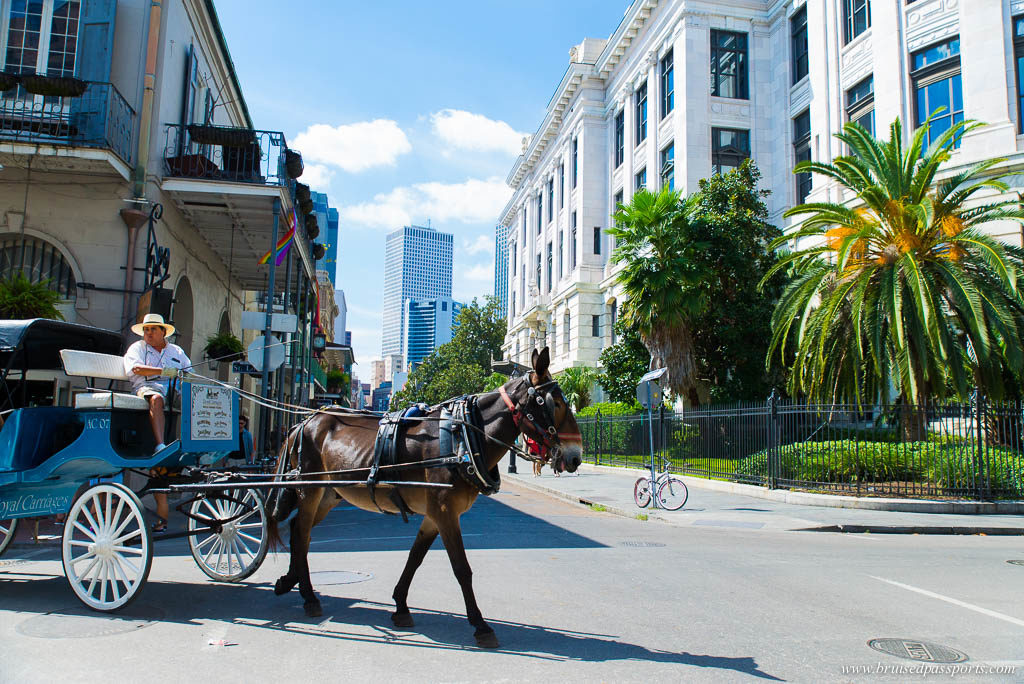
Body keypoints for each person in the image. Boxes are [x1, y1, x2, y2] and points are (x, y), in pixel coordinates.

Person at [124, 313, 191, 531]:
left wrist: (182, 379)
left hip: (173, 391)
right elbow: (136, 370)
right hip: (146, 388)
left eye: (153, 329)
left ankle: (196, 441)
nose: (148, 333)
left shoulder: (176, 352)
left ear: (163, 331)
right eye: (146, 329)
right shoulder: (137, 349)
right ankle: (160, 443)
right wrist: (166, 372)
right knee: (157, 398)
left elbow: (188, 373)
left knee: (196, 398)